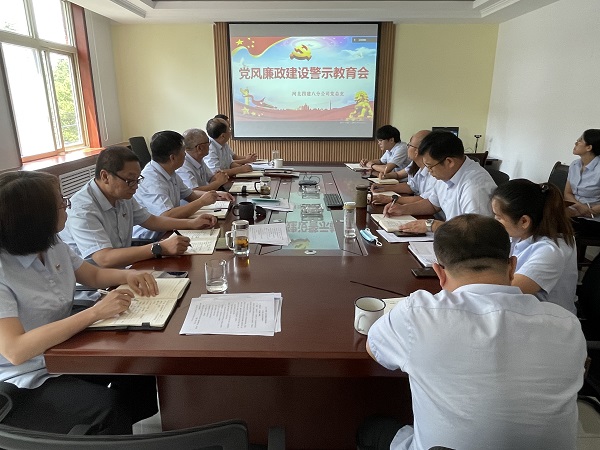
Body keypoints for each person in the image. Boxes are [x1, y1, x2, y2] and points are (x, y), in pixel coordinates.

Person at [361, 214, 586, 450]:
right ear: (512, 267)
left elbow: (373, 348)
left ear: (439, 273)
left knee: (373, 428)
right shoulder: (567, 324)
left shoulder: (417, 313)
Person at [0, 171, 159, 434]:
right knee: (107, 406)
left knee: (138, 364)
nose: (67, 206)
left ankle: (118, 432)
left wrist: (129, 276)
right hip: (25, 376)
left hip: (62, 349)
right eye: (61, 203)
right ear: (36, 218)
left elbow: (92, 275)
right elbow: (15, 350)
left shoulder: (51, 244)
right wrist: (94, 313)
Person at [60, 146, 216, 268]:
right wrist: (159, 247)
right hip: (97, 287)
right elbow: (104, 258)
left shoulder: (122, 195)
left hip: (124, 270)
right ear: (105, 176)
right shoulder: (83, 209)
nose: (135, 186)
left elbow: (151, 221)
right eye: (130, 180)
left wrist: (191, 223)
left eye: (137, 179)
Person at [383, 130, 496, 233]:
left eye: (430, 166)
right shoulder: (446, 174)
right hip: (450, 234)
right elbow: (433, 204)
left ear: (449, 162)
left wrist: (431, 225)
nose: (429, 171)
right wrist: (402, 209)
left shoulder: (475, 187)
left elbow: (475, 232)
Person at [492, 179, 578, 314]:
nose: (495, 222)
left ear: (524, 221)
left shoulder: (551, 251)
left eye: (499, 217)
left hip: (548, 320)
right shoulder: (519, 235)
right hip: (522, 310)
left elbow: (507, 291)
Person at [133, 130, 221, 240]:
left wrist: (217, 194)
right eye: (183, 151)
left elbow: (190, 195)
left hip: (171, 230)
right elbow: (166, 216)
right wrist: (201, 201)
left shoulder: (169, 171)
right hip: (150, 239)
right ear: (173, 158)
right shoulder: (152, 180)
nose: (185, 154)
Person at [370, 130, 434, 205]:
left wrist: (389, 199)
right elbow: (411, 187)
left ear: (416, 151)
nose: (407, 147)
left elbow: (426, 201)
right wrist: (383, 187)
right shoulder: (418, 165)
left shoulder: (434, 172)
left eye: (409, 145)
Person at [564, 129, 600, 240]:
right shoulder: (574, 165)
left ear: (589, 147)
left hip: (594, 219)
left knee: (555, 225)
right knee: (545, 218)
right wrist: (579, 207)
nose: (576, 142)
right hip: (574, 211)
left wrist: (587, 211)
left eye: (580, 140)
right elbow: (567, 193)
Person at [177, 128, 232, 194]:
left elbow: (211, 178)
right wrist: (218, 183)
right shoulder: (183, 166)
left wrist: (220, 176)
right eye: (208, 142)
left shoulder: (199, 159)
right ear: (200, 148)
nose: (210, 145)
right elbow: (193, 192)